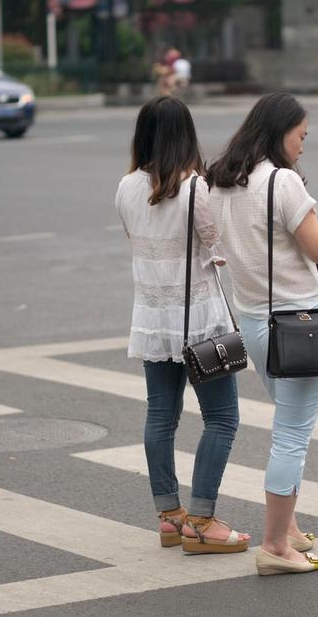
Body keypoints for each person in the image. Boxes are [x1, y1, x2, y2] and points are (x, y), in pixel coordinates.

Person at [205, 93, 318, 575]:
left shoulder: (222, 181)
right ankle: (274, 545)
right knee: (292, 434)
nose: (303, 146)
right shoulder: (282, 181)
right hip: (299, 325)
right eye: (301, 136)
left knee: (291, 423)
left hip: (255, 320)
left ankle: (286, 526)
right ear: (280, 131)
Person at [115, 96, 250, 555]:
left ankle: (170, 518)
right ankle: (203, 520)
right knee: (223, 419)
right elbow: (218, 250)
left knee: (160, 417)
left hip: (154, 320)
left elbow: (138, 240)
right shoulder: (195, 189)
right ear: (186, 135)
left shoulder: (125, 187)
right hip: (200, 320)